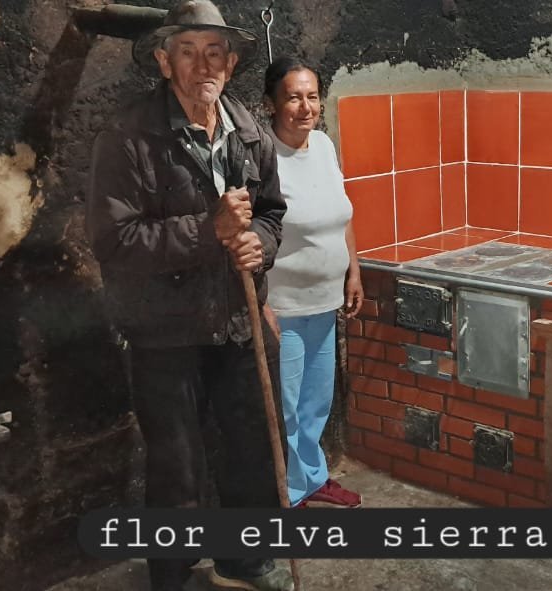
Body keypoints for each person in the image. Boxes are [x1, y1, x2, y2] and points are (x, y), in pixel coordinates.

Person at [85, 2, 292, 590]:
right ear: (163, 60)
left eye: (215, 52)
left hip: (239, 319)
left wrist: (258, 244)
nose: (204, 64)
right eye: (188, 51)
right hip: (165, 330)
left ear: (231, 63)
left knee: (251, 450)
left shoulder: (248, 132)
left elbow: (271, 213)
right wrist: (210, 231)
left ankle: (242, 559)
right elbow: (113, 241)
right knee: (176, 466)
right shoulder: (128, 136)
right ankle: (172, 575)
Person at [262, 57, 364, 509]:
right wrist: (261, 301)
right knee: (283, 406)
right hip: (282, 305)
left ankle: (313, 478)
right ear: (271, 103)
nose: (305, 107)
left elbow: (342, 212)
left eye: (312, 97)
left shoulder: (322, 145)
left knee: (316, 401)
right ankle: (288, 490)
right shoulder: (262, 155)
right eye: (293, 98)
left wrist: (353, 270)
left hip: (325, 301)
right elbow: (252, 233)